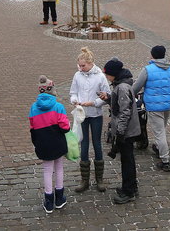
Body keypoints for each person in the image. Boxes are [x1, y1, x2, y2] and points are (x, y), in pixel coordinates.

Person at [99, 59, 140, 204]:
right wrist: (109, 98)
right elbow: (120, 104)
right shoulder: (121, 85)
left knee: (127, 161)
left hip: (126, 131)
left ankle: (128, 191)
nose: (106, 76)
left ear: (114, 74)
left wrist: (120, 133)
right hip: (127, 130)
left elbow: (125, 111)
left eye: (107, 74)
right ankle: (131, 186)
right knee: (127, 159)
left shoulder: (122, 88)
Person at [69, 47, 110, 193]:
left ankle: (99, 179)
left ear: (90, 63)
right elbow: (73, 92)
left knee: (97, 143)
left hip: (95, 114)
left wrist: (94, 103)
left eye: (83, 65)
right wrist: (75, 100)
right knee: (84, 143)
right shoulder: (77, 75)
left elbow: (106, 96)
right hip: (82, 114)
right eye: (79, 65)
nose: (80, 68)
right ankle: (84, 179)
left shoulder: (100, 76)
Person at [30, 76, 71, 213]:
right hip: (58, 142)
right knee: (59, 168)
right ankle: (59, 198)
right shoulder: (59, 107)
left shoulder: (33, 108)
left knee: (47, 170)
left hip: (43, 143)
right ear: (52, 90)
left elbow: (32, 127)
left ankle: (48, 201)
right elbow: (65, 128)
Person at [132, 45, 170, 172]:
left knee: (159, 132)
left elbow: (136, 87)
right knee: (162, 129)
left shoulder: (148, 69)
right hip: (167, 104)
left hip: (154, 105)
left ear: (153, 55)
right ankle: (159, 147)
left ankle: (165, 160)